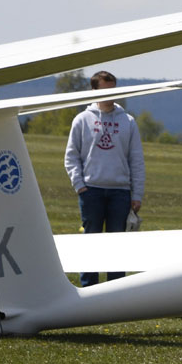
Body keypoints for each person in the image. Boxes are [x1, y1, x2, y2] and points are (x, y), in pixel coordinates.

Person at [64, 71, 145, 286]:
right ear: (94, 91)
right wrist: (80, 186)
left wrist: (136, 194)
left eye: (113, 90)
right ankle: (89, 288)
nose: (111, 94)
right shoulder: (82, 120)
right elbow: (71, 156)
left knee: (117, 244)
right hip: (91, 190)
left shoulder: (128, 121)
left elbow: (136, 160)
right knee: (91, 242)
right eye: (105, 90)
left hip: (120, 192)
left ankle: (115, 288)